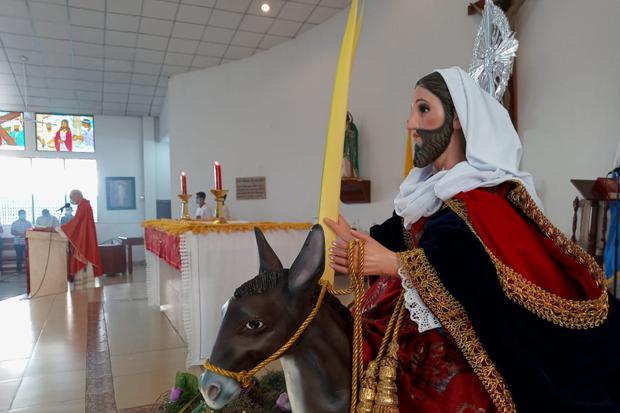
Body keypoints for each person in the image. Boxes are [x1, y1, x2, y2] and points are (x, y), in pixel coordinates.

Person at [326, 67, 620, 412]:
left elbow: (471, 268)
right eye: (412, 110)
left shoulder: (484, 195)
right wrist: (358, 241)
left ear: (456, 119)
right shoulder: (427, 190)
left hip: (466, 340)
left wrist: (393, 264)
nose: (410, 124)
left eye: (423, 109)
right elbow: (402, 231)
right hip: (415, 312)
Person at [60, 190, 102, 286]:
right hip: (84, 233)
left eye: (72, 197)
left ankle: (85, 279)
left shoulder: (83, 205)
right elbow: (78, 221)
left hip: (84, 235)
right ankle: (85, 279)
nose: (72, 200)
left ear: (77, 195)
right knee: (85, 254)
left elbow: (77, 220)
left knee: (84, 253)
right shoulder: (84, 204)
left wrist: (63, 228)